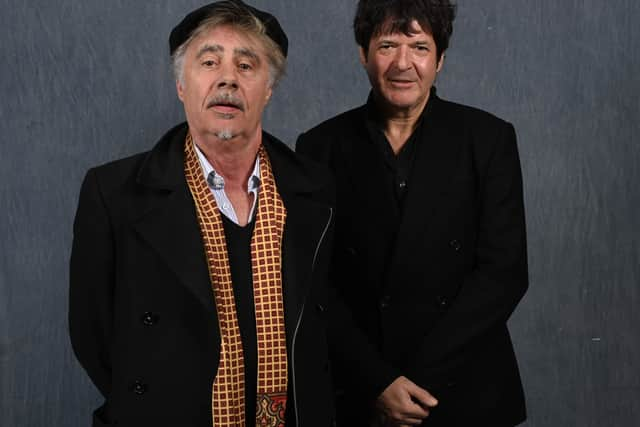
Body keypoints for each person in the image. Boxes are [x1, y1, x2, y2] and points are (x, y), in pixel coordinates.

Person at [70, 2, 338, 426]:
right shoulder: (114, 193)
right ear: (182, 85)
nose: (228, 78)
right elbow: (92, 334)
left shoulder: (316, 191)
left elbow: (330, 324)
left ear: (268, 88)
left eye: (247, 65)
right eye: (209, 61)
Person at [296, 1, 529, 426]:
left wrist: (419, 381)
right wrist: (378, 383)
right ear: (362, 53)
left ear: (440, 59)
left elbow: (505, 273)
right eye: (387, 45)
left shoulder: (488, 139)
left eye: (419, 47)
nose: (403, 63)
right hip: (362, 392)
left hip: (464, 388)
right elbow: (313, 282)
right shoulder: (319, 147)